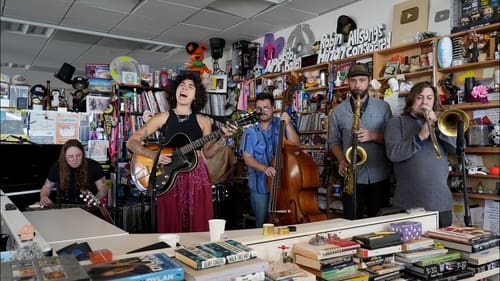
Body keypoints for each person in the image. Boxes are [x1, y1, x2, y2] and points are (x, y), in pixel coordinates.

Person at [126, 72, 235, 233]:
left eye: (190, 87)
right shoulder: (162, 117)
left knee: (198, 223)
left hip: (196, 177)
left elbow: (208, 153)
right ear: (175, 90)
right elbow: (131, 142)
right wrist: (154, 155)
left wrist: (222, 139)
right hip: (169, 177)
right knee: (170, 224)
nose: (185, 88)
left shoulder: (203, 120)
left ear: (196, 96)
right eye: (182, 85)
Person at [384, 81, 455, 227]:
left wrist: (438, 127)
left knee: (445, 247)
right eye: (420, 97)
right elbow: (393, 154)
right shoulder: (396, 123)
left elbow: (457, 148)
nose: (425, 102)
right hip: (409, 202)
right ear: (412, 100)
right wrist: (420, 136)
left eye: (429, 98)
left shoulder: (441, 123)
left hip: (440, 202)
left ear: (434, 101)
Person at [328, 63, 392, 220]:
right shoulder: (337, 112)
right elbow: (333, 142)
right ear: (348, 82)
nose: (358, 85)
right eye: (354, 80)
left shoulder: (383, 107)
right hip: (352, 176)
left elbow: (393, 140)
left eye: (362, 80)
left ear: (369, 81)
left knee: (379, 225)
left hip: (379, 176)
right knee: (351, 223)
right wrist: (342, 160)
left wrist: (373, 136)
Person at [239, 92, 299, 228]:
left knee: (286, 222)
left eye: (266, 107)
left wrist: (288, 124)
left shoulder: (281, 124)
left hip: (283, 183)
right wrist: (264, 168)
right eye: (259, 108)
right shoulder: (250, 131)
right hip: (260, 185)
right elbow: (247, 158)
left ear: (273, 108)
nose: (263, 111)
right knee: (262, 223)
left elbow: (295, 144)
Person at [39, 139, 107, 206]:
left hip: (87, 207)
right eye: (70, 157)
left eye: (78, 155)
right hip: (63, 207)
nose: (75, 160)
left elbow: (103, 189)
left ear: (83, 154)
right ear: (64, 157)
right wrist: (44, 197)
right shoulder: (57, 167)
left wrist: (96, 199)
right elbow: (47, 186)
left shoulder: (94, 166)